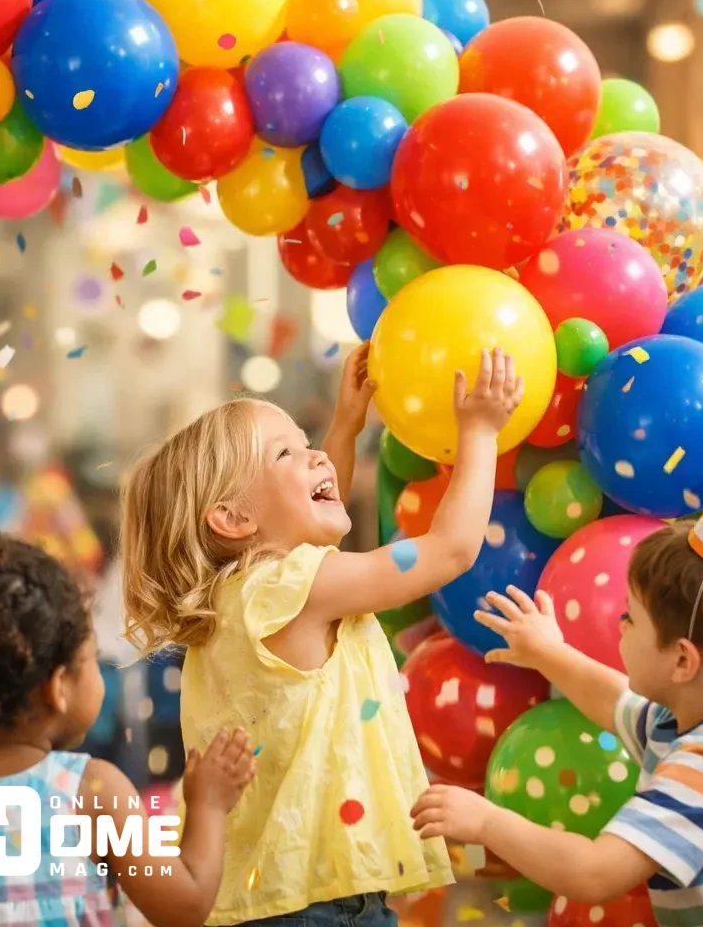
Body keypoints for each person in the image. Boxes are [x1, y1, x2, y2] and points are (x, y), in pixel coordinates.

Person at [121, 344, 525, 926]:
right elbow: (451, 550)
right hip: (319, 911)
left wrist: (343, 427)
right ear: (233, 519)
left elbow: (305, 532)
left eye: (309, 445)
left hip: (270, 899)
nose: (318, 459)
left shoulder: (245, 599)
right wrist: (481, 432)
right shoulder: (296, 587)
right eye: (287, 452)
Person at [411, 415, 703, 925]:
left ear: (683, 660)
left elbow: (595, 874)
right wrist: (551, 653)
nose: (618, 624)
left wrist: (486, 822)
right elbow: (618, 704)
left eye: (631, 618)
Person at [0, 528, 256, 927]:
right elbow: (183, 908)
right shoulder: (91, 792)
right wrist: (208, 805)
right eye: (91, 657)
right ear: (58, 687)